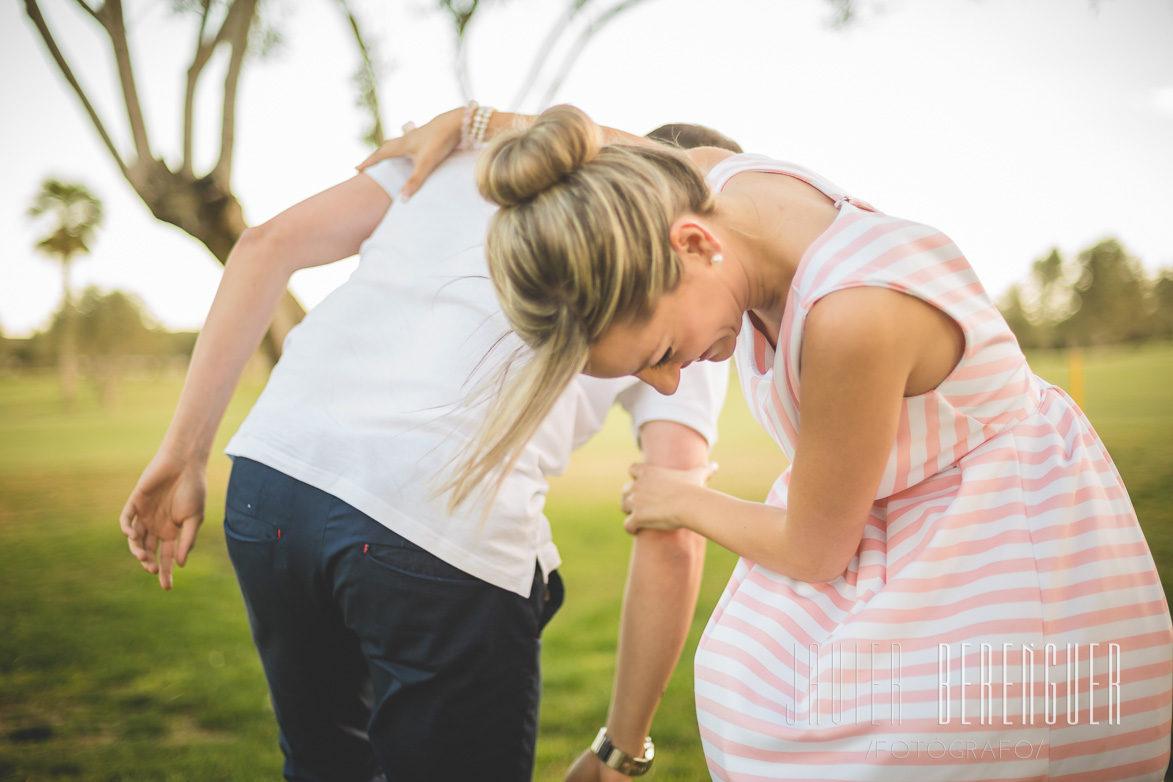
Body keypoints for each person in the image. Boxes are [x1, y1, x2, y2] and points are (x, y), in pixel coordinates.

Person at [383, 103, 1172, 780]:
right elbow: (591, 151)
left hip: (996, 544)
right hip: (896, 519)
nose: (665, 385)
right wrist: (477, 124)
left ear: (692, 244)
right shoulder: (697, 184)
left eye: (659, 354)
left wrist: (679, 498)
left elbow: (811, 550)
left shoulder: (852, 314)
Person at [119, 126, 736, 780]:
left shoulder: (477, 157)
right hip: (438, 534)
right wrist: (620, 750)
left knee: (322, 767)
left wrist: (186, 453)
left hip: (271, 480)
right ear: (695, 220)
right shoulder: (691, 292)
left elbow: (265, 243)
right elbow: (672, 534)